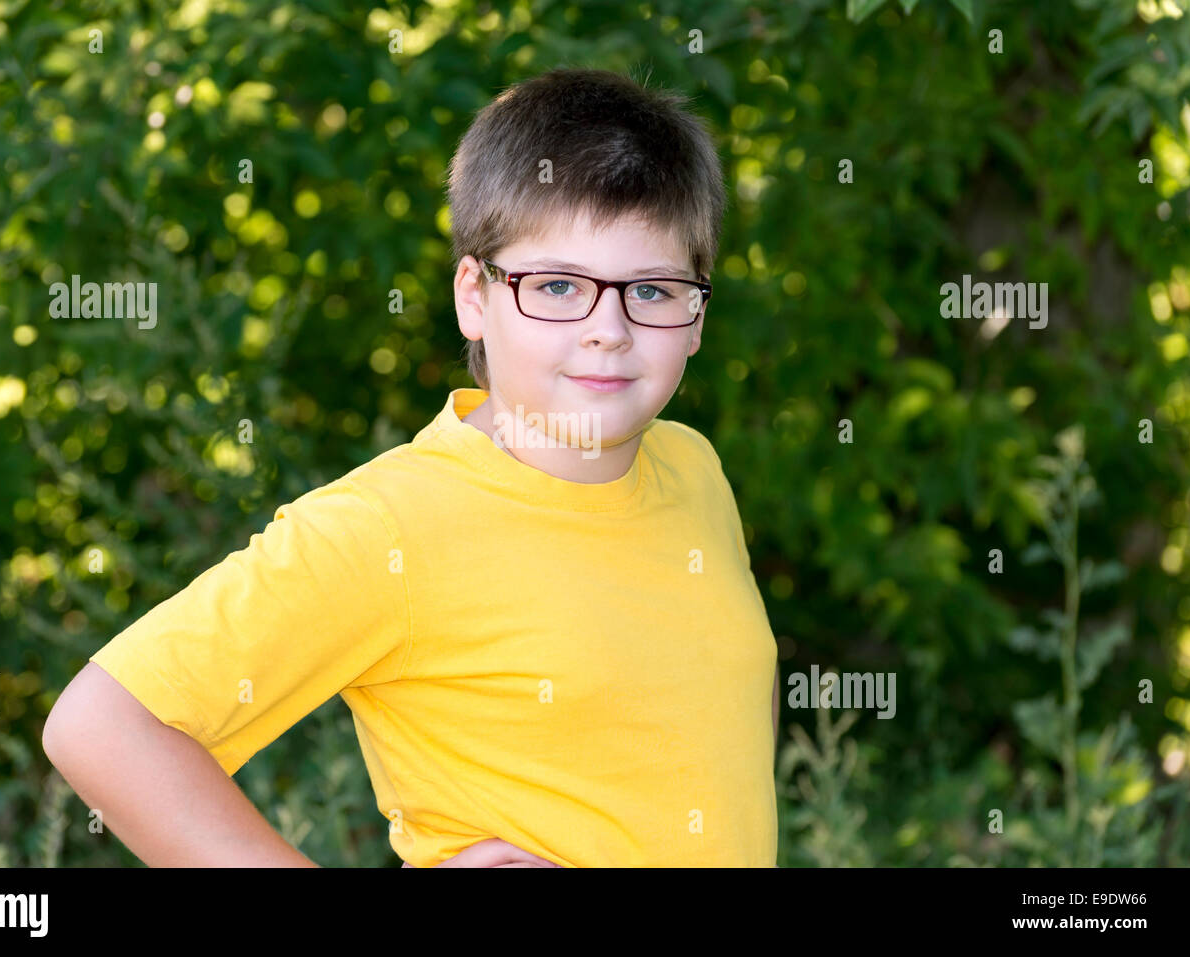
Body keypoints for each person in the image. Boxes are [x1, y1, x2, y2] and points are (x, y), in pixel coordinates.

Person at [43, 67, 780, 868]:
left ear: (698, 314)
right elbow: (101, 726)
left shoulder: (693, 466)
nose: (608, 328)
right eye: (558, 284)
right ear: (474, 295)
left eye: (652, 288)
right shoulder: (392, 527)